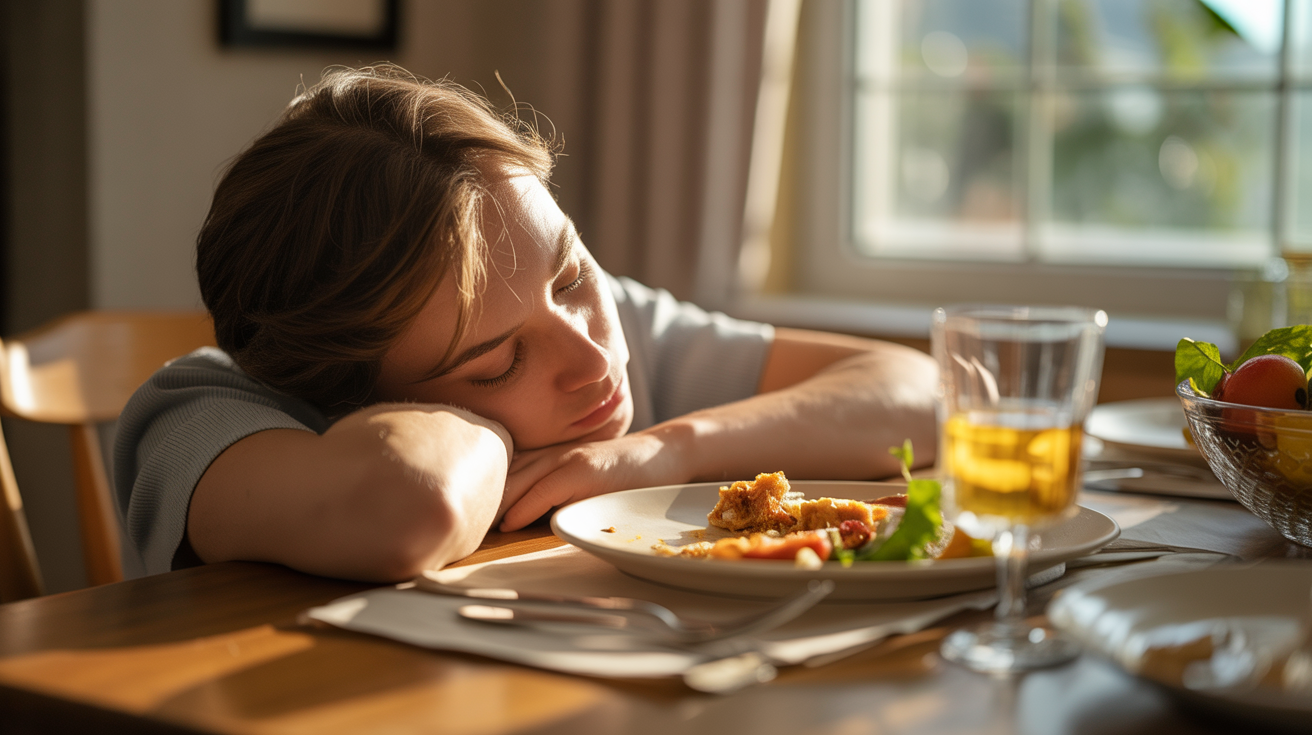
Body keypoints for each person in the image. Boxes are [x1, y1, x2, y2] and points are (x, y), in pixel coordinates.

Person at [114, 64, 937, 582]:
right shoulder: (201, 414)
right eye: (495, 365)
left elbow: (920, 392)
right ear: (357, 395)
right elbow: (411, 505)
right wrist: (490, 433)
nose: (593, 358)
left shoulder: (602, 329)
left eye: (571, 274)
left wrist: (660, 450)